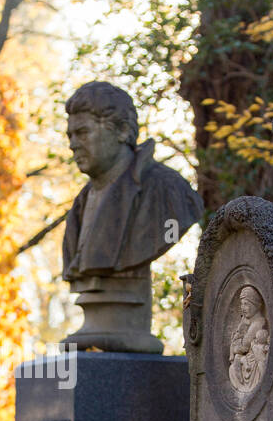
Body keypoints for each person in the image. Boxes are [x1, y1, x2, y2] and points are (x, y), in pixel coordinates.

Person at [62, 81, 203, 280]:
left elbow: (169, 229)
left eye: (83, 133)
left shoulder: (169, 189)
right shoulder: (79, 207)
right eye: (70, 136)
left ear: (122, 130)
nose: (73, 145)